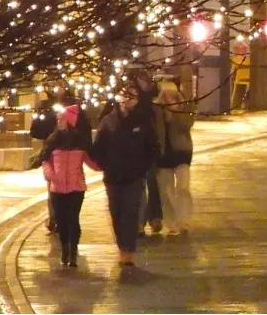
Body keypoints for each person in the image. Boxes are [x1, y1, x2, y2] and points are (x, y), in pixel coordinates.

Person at [90, 87, 158, 267]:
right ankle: (122, 246)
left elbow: (152, 147)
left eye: (132, 97)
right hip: (113, 176)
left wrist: (143, 167)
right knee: (116, 213)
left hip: (134, 176)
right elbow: (97, 147)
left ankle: (129, 250)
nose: (128, 100)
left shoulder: (143, 121)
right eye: (125, 96)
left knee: (131, 212)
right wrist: (105, 165)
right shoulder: (108, 121)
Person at [40, 105, 99, 267]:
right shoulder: (53, 139)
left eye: (61, 118)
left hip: (76, 187)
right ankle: (65, 249)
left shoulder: (80, 141)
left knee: (73, 219)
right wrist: (50, 174)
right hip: (57, 188)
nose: (58, 121)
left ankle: (73, 252)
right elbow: (45, 159)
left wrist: (106, 166)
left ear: (70, 120)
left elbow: (91, 161)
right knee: (61, 221)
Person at [31, 89, 92, 235]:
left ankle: (67, 220)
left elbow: (85, 131)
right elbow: (36, 131)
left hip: (74, 154)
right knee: (54, 188)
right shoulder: (46, 107)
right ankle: (56, 220)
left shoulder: (76, 107)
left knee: (72, 186)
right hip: (54, 155)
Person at [153, 78, 194, 236]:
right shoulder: (157, 110)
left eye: (172, 94)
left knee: (183, 188)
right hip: (164, 155)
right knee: (166, 191)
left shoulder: (185, 108)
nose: (169, 97)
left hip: (182, 153)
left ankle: (184, 220)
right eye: (166, 94)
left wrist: (175, 113)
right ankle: (171, 223)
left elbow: (187, 124)